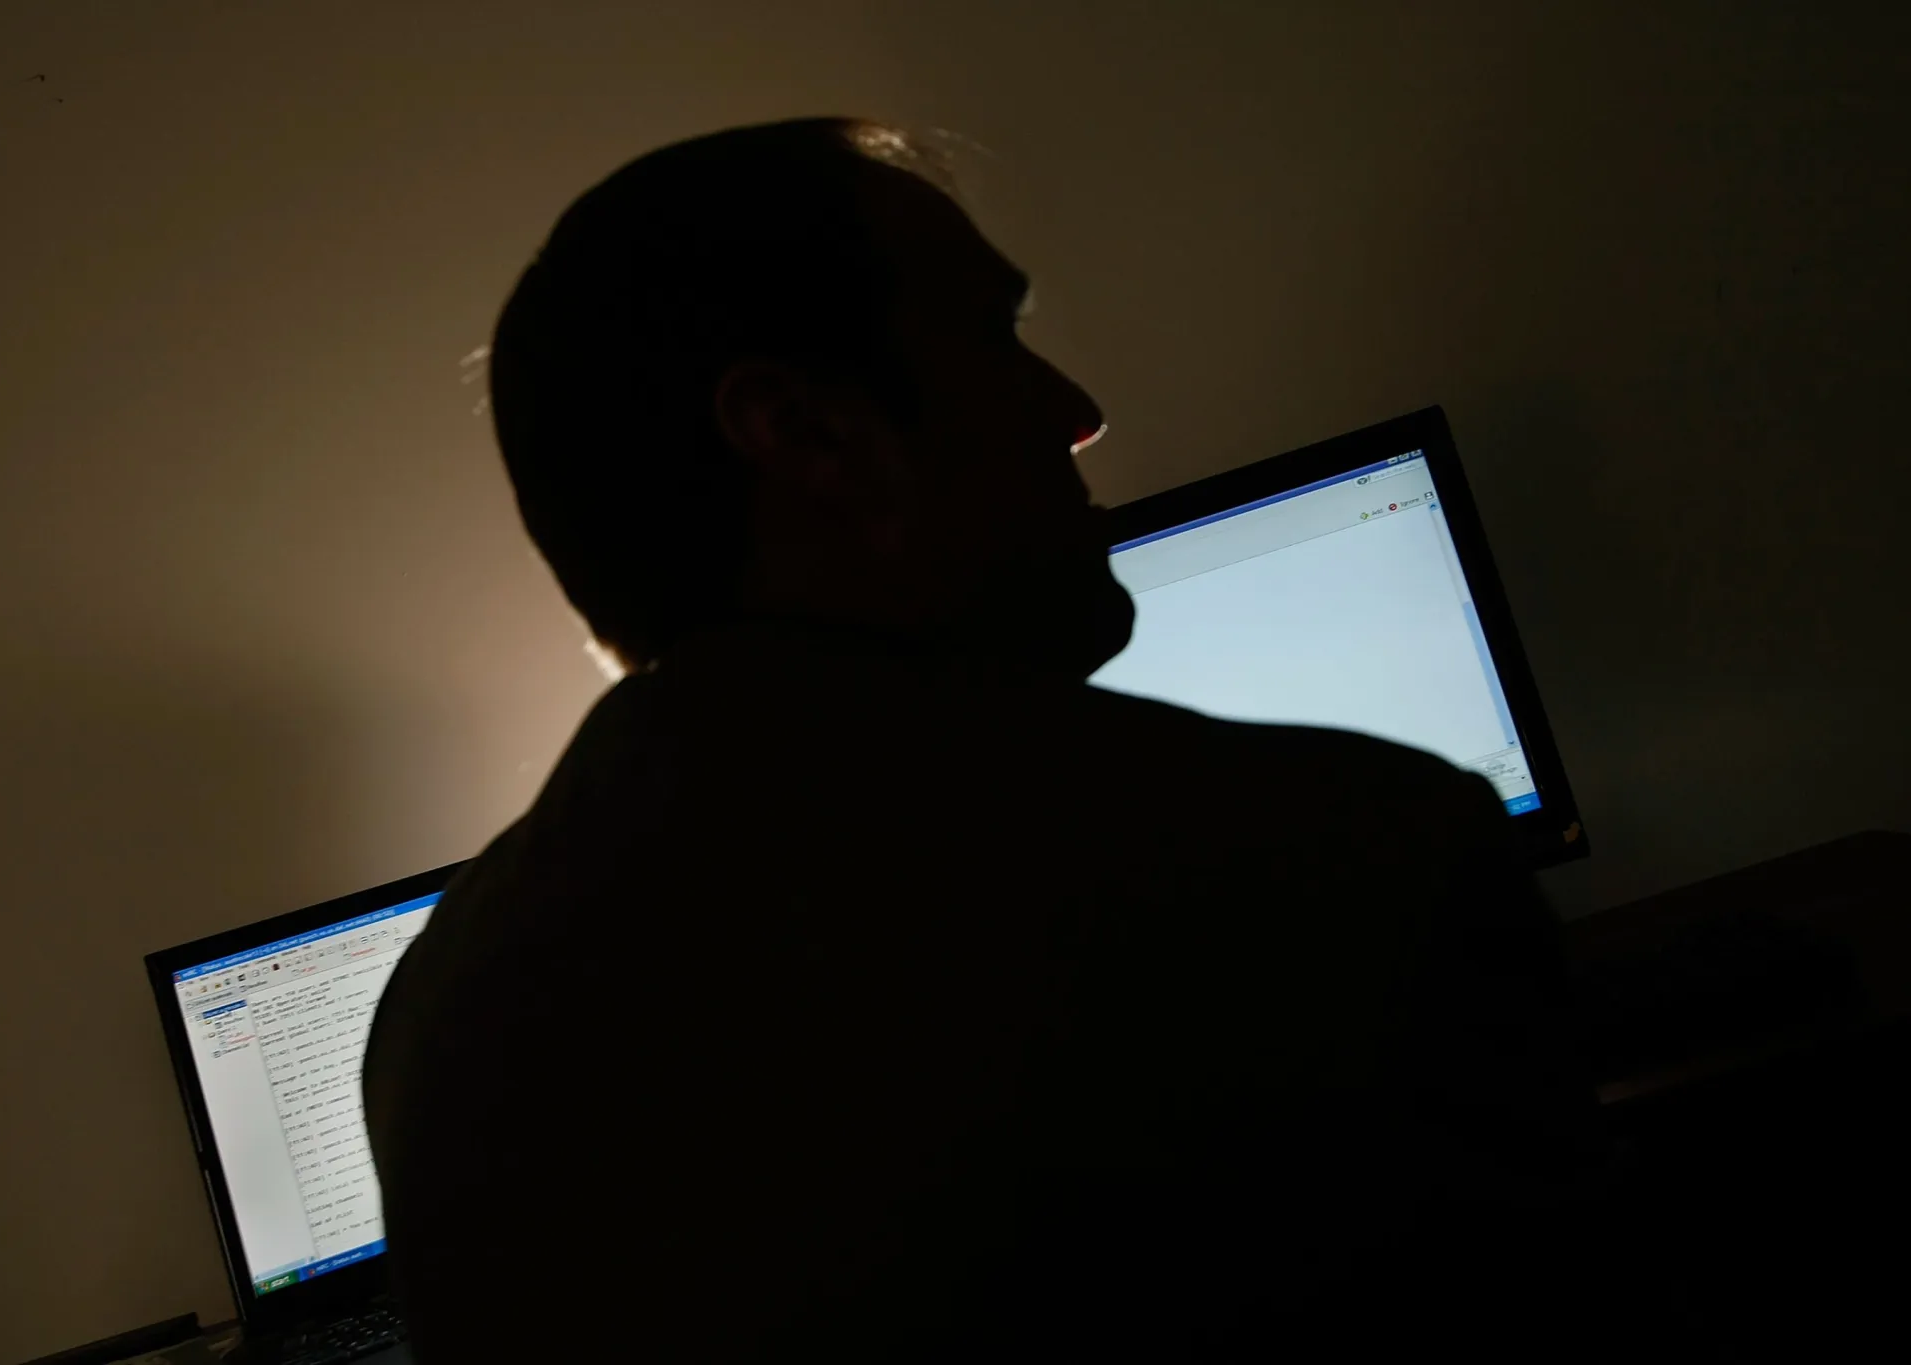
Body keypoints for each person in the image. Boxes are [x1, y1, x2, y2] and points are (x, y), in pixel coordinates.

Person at [364, 117, 1617, 1361]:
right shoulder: (1354, 864)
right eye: (995, 336)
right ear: (807, 435)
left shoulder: (434, 1027)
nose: (1079, 412)